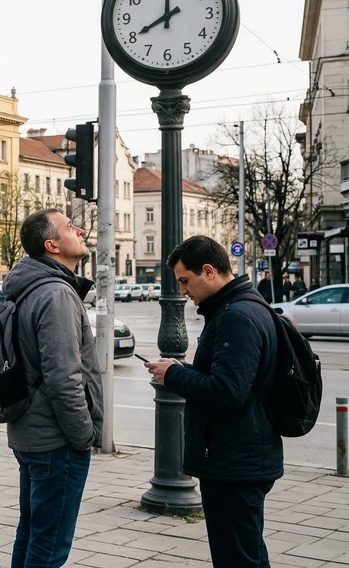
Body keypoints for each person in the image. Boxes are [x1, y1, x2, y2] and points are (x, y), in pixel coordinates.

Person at [145, 236, 281, 567]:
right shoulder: (237, 308)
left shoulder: (237, 315)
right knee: (241, 553)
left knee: (238, 558)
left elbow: (227, 392)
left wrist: (174, 376)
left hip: (236, 461)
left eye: (185, 281)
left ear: (208, 271)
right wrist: (183, 369)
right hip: (238, 455)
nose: (183, 291)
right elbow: (230, 379)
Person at [2, 208, 102, 567]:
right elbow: (64, 378)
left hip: (32, 433)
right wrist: (84, 435)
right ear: (52, 245)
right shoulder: (56, 293)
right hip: (56, 440)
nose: (79, 230)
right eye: (69, 227)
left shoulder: (29, 287)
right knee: (49, 546)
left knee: (31, 535)